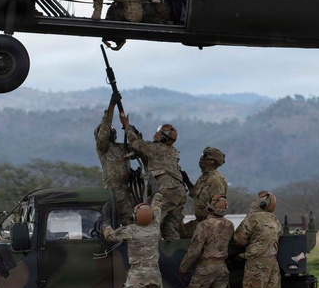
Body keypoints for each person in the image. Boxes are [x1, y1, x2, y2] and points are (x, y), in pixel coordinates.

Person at [102, 193, 165, 288]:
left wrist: (105, 222)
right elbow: (157, 209)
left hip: (137, 274)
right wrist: (156, 196)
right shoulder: (155, 227)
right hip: (154, 273)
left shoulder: (130, 230)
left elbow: (109, 235)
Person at [119, 112, 186, 240]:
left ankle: (150, 255)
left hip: (167, 190)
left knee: (149, 222)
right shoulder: (172, 151)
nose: (156, 133)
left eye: (159, 132)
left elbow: (136, 143)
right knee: (169, 227)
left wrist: (126, 125)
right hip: (179, 192)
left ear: (163, 138)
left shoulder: (156, 149)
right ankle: (174, 257)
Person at [179, 193, 234, 288]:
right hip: (221, 267)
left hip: (205, 268)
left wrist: (183, 268)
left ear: (210, 207)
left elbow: (194, 251)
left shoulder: (203, 226)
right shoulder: (229, 225)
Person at [232, 191, 283, 288]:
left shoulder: (253, 219)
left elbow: (239, 240)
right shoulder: (274, 219)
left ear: (261, 204)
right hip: (272, 264)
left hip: (256, 264)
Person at [95, 92, 136, 225]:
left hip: (128, 191)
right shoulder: (103, 148)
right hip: (113, 192)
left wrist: (129, 128)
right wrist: (112, 105)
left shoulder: (122, 147)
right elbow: (105, 129)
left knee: (131, 222)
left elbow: (139, 148)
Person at [184, 146, 228, 239]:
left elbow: (219, 207)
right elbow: (196, 194)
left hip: (209, 225)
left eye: (204, 156)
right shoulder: (204, 177)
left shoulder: (216, 181)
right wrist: (187, 181)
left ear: (212, 161)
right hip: (200, 222)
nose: (201, 159)